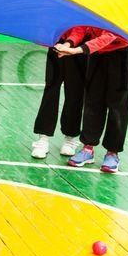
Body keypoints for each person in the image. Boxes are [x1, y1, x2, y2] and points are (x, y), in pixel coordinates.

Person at [61, 26, 128, 174]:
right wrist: (69, 43)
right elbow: (82, 28)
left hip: (120, 55)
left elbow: (109, 36)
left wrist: (77, 50)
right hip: (96, 54)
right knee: (93, 101)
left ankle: (112, 153)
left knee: (118, 107)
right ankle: (87, 149)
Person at [30, 28, 87, 159]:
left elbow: (80, 28)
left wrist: (68, 44)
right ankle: (43, 138)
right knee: (50, 91)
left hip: (79, 48)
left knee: (75, 93)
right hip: (57, 46)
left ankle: (70, 137)